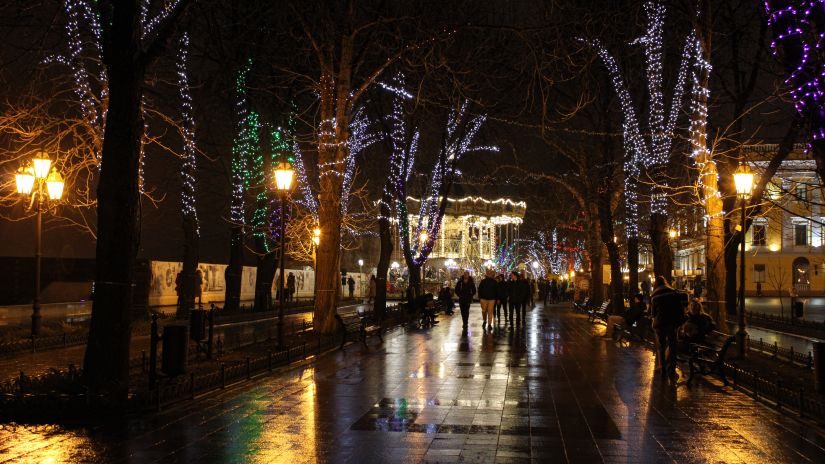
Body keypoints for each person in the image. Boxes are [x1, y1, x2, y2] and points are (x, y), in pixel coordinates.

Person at [650, 276, 687, 381]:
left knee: (661, 347)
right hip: (672, 324)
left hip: (660, 325)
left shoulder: (655, 296)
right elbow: (680, 308)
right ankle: (672, 370)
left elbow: (653, 314)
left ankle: (663, 370)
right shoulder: (674, 293)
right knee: (672, 346)